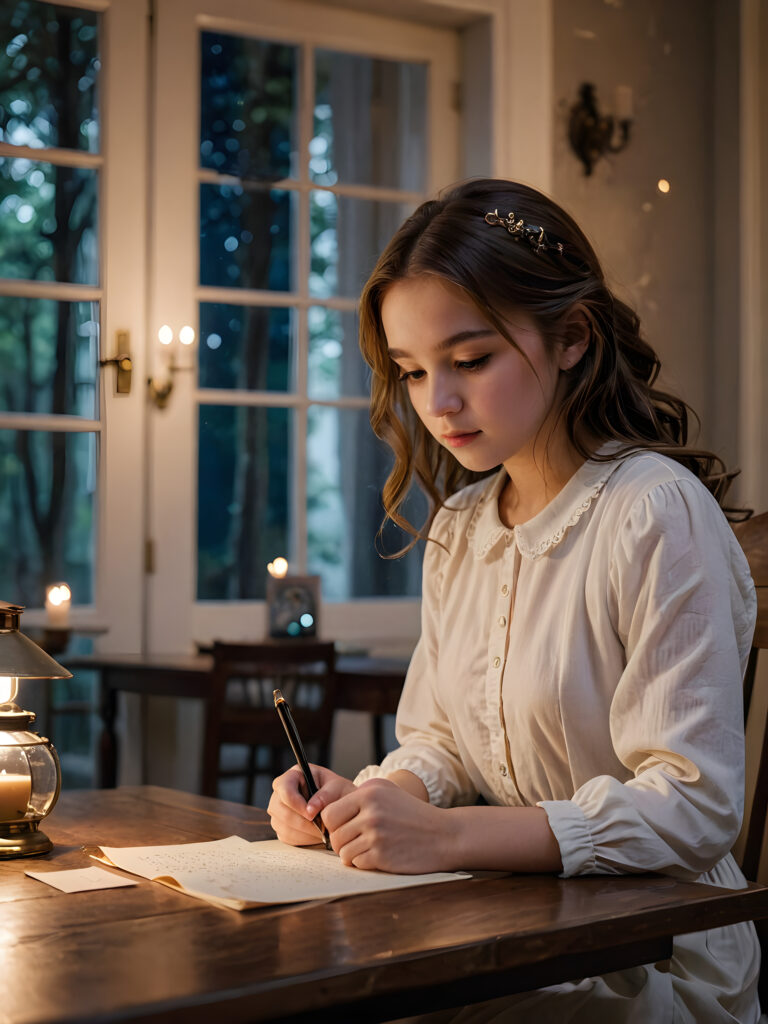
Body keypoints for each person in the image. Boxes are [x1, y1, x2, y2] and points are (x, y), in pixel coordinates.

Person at [268, 178, 760, 1022]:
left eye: (469, 361)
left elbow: (694, 804)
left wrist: (450, 838)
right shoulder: (462, 526)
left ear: (571, 337)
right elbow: (442, 745)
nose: (439, 403)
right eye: (413, 371)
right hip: (508, 924)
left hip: (650, 952)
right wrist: (375, 804)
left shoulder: (652, 508)